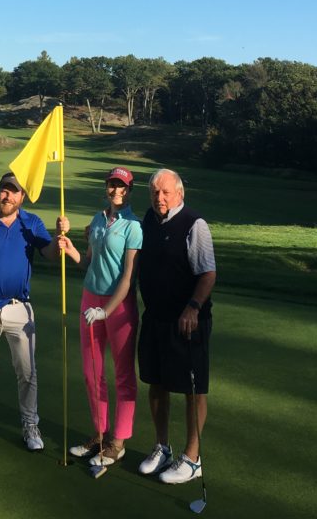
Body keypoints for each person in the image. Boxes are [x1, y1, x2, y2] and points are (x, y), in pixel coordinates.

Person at [0, 171, 65, 452]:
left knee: (27, 372)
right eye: (3, 190)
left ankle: (30, 425)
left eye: (13, 191)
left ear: (22, 196)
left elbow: (51, 254)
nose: (6, 195)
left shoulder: (31, 223)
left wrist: (59, 236)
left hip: (20, 309)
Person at [59, 166, 143, 467]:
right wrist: (71, 251)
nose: (116, 190)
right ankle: (99, 433)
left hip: (118, 307)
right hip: (89, 299)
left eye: (122, 186)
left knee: (122, 374)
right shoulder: (97, 220)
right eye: (112, 185)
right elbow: (89, 263)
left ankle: (118, 441)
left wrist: (106, 311)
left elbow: (128, 278)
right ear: (106, 187)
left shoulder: (134, 226)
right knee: (92, 373)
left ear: (129, 190)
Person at [136, 168, 216, 485]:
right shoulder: (149, 219)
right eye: (155, 192)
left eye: (166, 192)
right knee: (157, 383)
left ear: (180, 193)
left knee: (192, 390)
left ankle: (192, 458)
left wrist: (193, 308)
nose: (160, 198)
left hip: (188, 320)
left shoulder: (194, 224)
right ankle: (162, 447)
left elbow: (208, 274)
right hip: (155, 317)